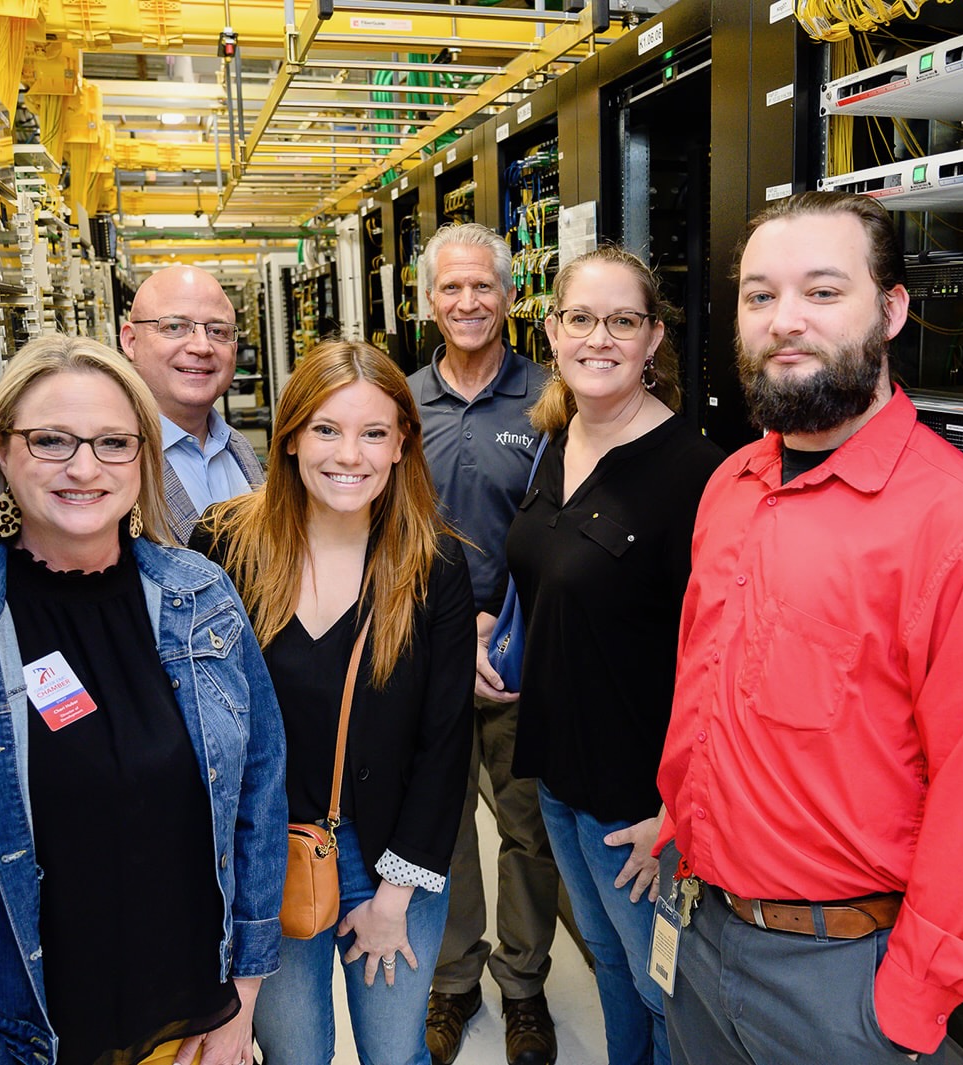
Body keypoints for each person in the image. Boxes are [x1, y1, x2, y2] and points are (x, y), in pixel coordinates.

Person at [655, 191, 963, 1063]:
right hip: (696, 923)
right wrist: (676, 823)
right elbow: (708, 694)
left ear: (893, 311)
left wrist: (905, 1006)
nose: (784, 320)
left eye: (823, 291)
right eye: (760, 295)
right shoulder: (731, 486)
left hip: (839, 977)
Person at [0, 335, 286, 1065]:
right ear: (2, 451)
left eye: (112, 442)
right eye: (51, 440)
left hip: (198, 1023)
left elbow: (260, 788)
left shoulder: (202, 599)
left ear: (143, 459)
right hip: (32, 1038)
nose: (84, 467)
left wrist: (243, 997)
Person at [191, 339, 475, 1065]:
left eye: (374, 432)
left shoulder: (433, 563)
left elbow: (446, 743)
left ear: (401, 445)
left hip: (393, 861)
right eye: (326, 429)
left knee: (395, 1053)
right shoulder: (225, 545)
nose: (350, 455)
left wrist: (394, 897)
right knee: (294, 1056)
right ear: (288, 438)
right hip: (269, 863)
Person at [506, 247, 724, 1065]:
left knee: (662, 988)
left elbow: (722, 659)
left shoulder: (696, 474)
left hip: (639, 801)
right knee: (610, 963)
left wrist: (678, 807)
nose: (599, 338)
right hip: (559, 775)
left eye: (623, 321)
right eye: (581, 318)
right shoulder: (555, 442)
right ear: (552, 331)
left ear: (653, 337)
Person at [407, 222, 560, 1065]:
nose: (467, 301)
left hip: (521, 658)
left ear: (510, 295)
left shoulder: (551, 397)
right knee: (441, 826)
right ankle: (453, 977)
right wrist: (451, 622)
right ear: (428, 299)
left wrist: (500, 624)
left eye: (483, 286)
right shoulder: (400, 402)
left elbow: (564, 528)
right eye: (451, 287)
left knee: (528, 827)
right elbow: (386, 528)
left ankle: (525, 984)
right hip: (424, 654)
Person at [119, 264, 265, 543]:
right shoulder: (110, 460)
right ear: (131, 341)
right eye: (175, 327)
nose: (201, 347)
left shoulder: (239, 448)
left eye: (218, 331)